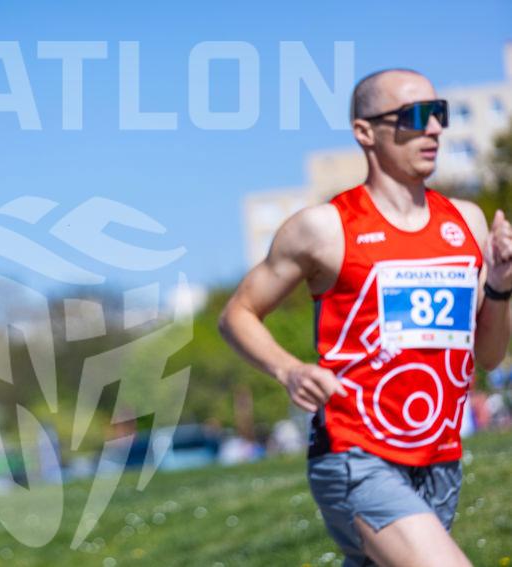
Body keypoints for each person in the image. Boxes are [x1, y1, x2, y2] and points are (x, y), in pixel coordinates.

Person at [219, 69, 512, 566]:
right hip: (355, 451)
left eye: (438, 113)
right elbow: (237, 314)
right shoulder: (324, 228)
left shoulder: (466, 222)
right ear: (364, 132)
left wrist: (501, 283)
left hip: (439, 457)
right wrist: (289, 370)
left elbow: (488, 355)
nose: (434, 128)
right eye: (415, 116)